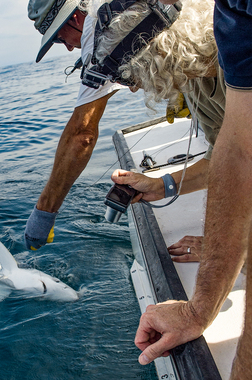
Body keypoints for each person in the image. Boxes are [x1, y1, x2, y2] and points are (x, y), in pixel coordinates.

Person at [108, 0, 252, 376]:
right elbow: (234, 155)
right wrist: (162, 184)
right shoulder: (200, 76)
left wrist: (234, 247)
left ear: (154, 54)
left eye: (129, 77)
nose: (133, 87)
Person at [25, 0, 124, 250]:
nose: (69, 47)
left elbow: (82, 135)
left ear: (76, 18)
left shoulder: (95, 26)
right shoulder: (116, 8)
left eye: (60, 37)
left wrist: (43, 216)